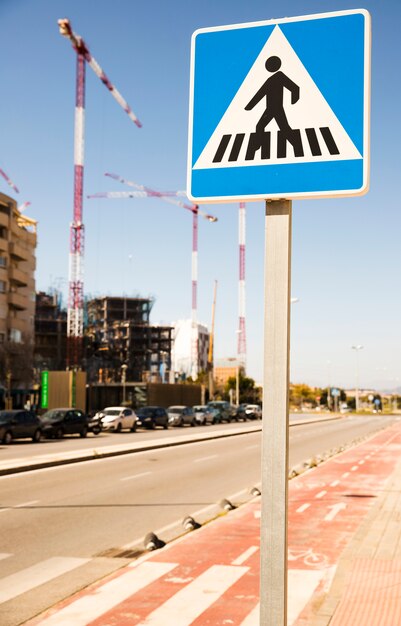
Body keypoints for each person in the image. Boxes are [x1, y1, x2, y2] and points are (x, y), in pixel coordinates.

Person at [245, 55, 300, 138]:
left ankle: (297, 145)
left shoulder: (279, 76)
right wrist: (249, 106)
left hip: (277, 108)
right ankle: (257, 145)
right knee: (260, 126)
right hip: (270, 109)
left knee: (284, 129)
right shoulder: (270, 80)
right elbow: (260, 94)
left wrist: (294, 99)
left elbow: (294, 88)